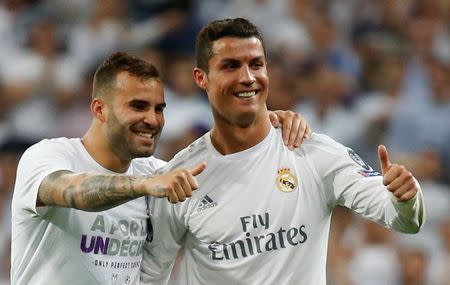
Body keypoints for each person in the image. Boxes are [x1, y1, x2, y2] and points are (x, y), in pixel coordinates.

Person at [140, 18, 425, 285]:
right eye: (231, 66)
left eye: (256, 64)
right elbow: (152, 273)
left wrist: (406, 198)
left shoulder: (312, 152)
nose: (248, 77)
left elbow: (402, 219)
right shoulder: (181, 176)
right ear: (201, 78)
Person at [10, 52, 311, 285]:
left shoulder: (158, 172)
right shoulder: (49, 155)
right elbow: (73, 191)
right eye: (138, 106)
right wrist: (143, 185)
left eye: (159, 109)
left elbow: (237, 184)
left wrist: (269, 130)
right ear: (100, 109)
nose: (153, 120)